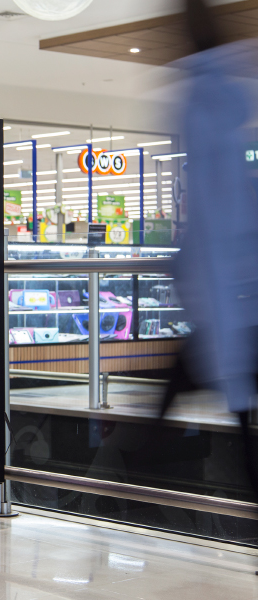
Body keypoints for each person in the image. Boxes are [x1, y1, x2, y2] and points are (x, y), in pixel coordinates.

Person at [168, 0, 258, 501]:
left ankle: (122, 481)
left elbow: (211, 222)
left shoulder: (197, 101)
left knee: (237, 428)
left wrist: (185, 273)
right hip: (242, 297)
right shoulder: (235, 88)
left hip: (227, 303)